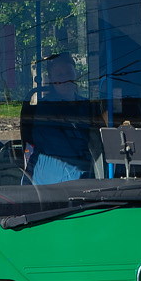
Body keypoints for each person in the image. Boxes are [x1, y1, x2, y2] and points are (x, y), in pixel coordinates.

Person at [20, 53, 103, 183]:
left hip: (87, 165)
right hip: (55, 170)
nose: (65, 78)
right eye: (59, 75)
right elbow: (60, 147)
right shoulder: (44, 110)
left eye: (69, 73)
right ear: (51, 79)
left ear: (76, 74)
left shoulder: (88, 106)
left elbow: (101, 135)